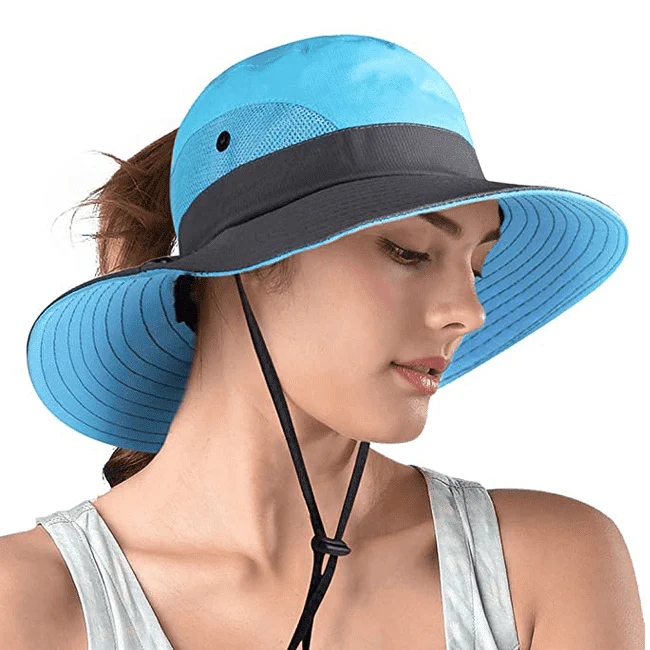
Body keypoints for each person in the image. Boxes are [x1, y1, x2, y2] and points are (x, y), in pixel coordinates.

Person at [2, 34, 643, 649]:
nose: (469, 313)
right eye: (409, 251)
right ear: (247, 261)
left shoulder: (543, 568)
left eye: (477, 266)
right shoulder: (23, 604)